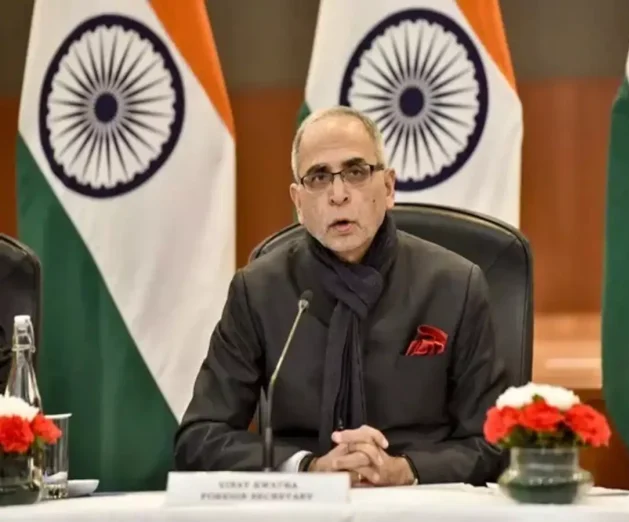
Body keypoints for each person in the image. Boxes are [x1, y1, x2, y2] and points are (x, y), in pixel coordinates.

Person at [174, 106, 509, 486]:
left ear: (388, 187)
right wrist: (308, 468)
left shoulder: (454, 286)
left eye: (356, 172)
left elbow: (493, 442)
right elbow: (200, 438)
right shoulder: (259, 291)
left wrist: (406, 470)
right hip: (305, 502)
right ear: (299, 203)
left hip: (419, 501)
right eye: (319, 177)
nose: (338, 195)